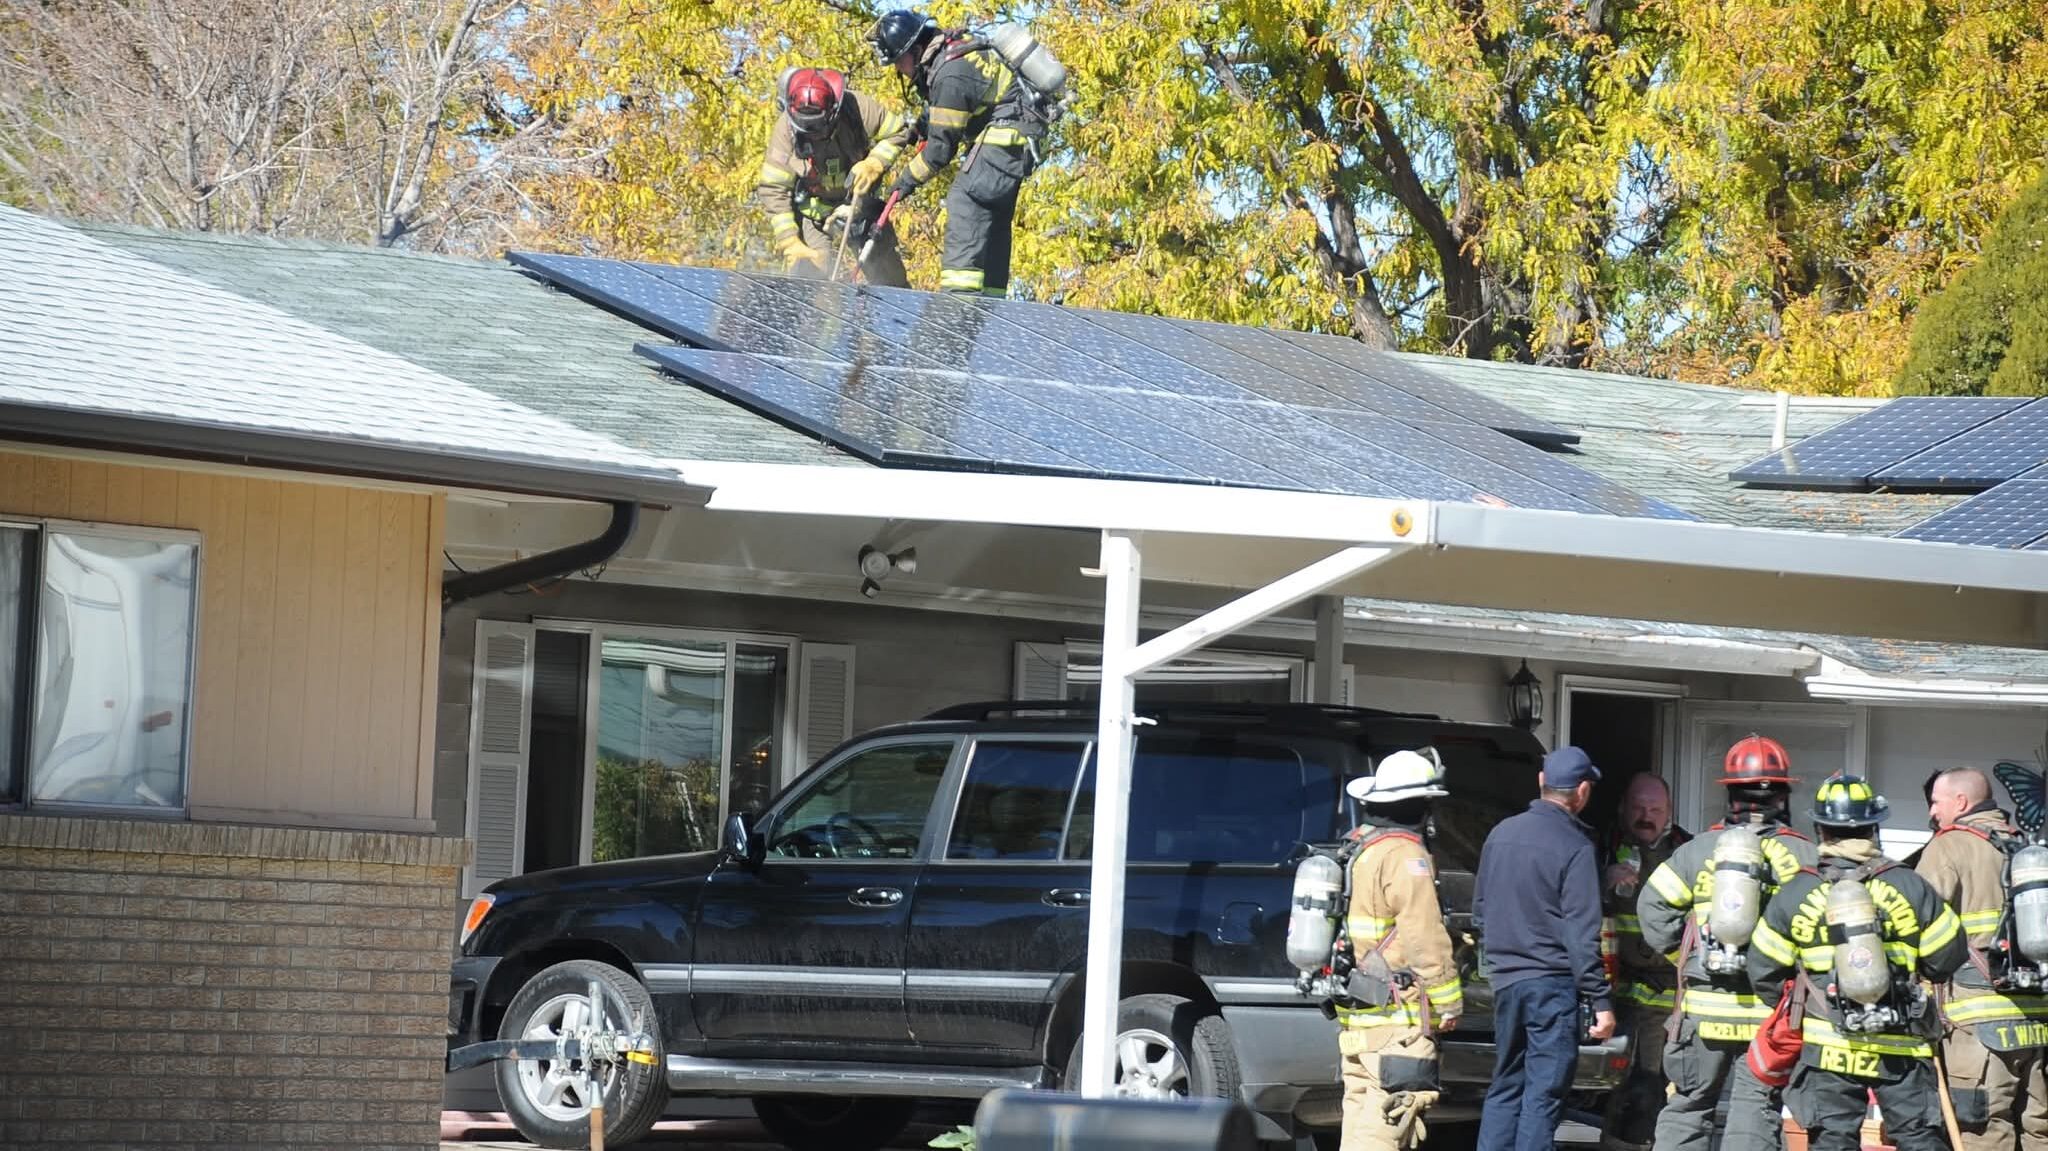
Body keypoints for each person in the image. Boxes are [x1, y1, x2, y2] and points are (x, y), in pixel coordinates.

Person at [1748, 773, 1966, 1151]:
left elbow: (1764, 969)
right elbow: (1947, 957)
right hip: (1902, 1048)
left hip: (1827, 1048)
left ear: (1819, 829)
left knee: (1831, 1142)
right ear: (1873, 828)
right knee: (1919, 1139)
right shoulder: (1908, 885)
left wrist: (1812, 1010)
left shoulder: (1797, 890)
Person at [1637, 734, 1817, 1151]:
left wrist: (1688, 959)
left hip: (1702, 1011)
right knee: (1755, 1105)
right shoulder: (1803, 857)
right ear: (1782, 794)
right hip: (1770, 1015)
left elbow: (1653, 910)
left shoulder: (1696, 851)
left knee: (1689, 1106)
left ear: (1731, 794)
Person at [1473, 746, 1615, 1151]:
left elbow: (1480, 909)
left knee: (1505, 1086)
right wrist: (1601, 1000)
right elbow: (1581, 934)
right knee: (1543, 1092)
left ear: (1541, 781)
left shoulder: (1500, 834)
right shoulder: (1575, 847)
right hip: (1551, 987)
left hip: (1505, 982)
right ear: (1583, 791)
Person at [1336, 750, 1465, 1151]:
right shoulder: (1405, 856)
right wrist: (1449, 1002)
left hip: (1360, 1014)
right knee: (1390, 1124)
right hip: (1399, 1020)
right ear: (1421, 804)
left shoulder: (1360, 848)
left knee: (1359, 1120)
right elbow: (1423, 935)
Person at [1915, 767, 2048, 1151]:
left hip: (1977, 1028)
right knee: (2040, 1132)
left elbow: (1916, 921)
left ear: (1960, 802)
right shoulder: (2025, 847)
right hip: (2036, 1023)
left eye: (1937, 802)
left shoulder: (1948, 846)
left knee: (1983, 1132)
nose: (1932, 813)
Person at [864, 11, 1042, 297]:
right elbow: (946, 105)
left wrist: (904, 182)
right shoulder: (955, 49)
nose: (899, 69)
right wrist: (916, 129)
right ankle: (992, 301)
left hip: (1003, 138)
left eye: (899, 61)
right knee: (993, 219)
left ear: (917, 50)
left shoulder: (951, 73)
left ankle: (959, 301)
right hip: (1015, 142)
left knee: (967, 199)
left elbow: (939, 151)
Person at [1598, 774, 1692, 1151]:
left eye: (1655, 809)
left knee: (1650, 1082)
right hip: (1611, 990)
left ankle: (1639, 1143)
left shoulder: (1685, 852)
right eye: (1638, 807)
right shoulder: (1600, 845)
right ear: (1623, 807)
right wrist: (1599, 880)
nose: (1646, 816)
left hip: (1663, 991)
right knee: (1606, 1083)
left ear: (1669, 812)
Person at [754, 66, 911, 286]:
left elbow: (899, 131)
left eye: (819, 128)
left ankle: (897, 318)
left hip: (858, 206)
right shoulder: (785, 131)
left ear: (833, 112)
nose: (814, 136)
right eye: (807, 130)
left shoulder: (857, 108)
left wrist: (875, 163)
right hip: (814, 212)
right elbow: (773, 188)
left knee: (889, 280)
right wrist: (790, 241)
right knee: (810, 282)